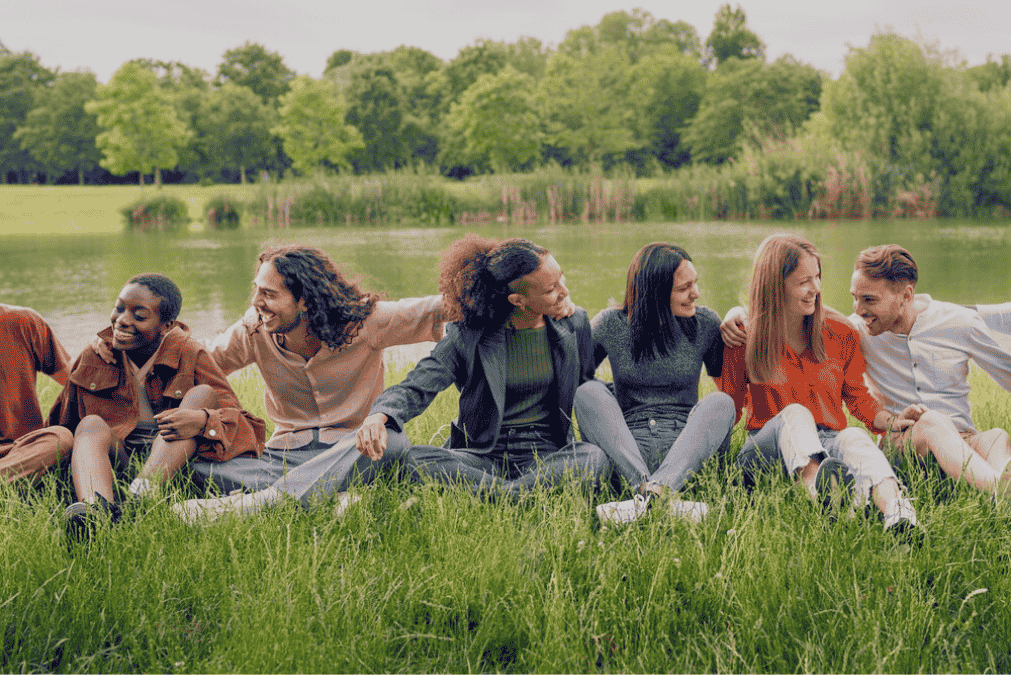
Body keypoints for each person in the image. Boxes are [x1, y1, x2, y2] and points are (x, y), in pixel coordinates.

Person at [170, 245, 445, 521]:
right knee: (194, 464)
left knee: (392, 438)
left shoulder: (364, 321)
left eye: (268, 293)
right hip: (283, 459)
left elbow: (436, 310)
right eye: (257, 289)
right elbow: (202, 359)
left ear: (306, 300)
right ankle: (335, 496)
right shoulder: (254, 329)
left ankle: (263, 504)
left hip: (353, 450)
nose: (255, 301)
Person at [722, 244, 1011, 498]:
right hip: (904, 444)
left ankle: (992, 489)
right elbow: (791, 312)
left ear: (906, 295)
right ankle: (998, 491)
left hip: (962, 439)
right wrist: (738, 313)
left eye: (869, 300)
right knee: (933, 421)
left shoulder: (958, 323)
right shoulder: (858, 329)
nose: (858, 309)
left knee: (997, 436)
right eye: (855, 298)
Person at [355, 235, 610, 496]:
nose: (565, 292)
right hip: (483, 456)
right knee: (415, 460)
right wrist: (380, 414)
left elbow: (587, 384)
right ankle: (522, 495)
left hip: (546, 455)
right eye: (551, 289)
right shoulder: (469, 335)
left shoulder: (573, 324)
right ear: (517, 300)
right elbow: (419, 383)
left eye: (561, 280)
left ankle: (499, 495)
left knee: (592, 457)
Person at [718, 234, 921, 532]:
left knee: (853, 437)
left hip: (828, 439)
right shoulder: (744, 336)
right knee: (796, 413)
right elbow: (729, 408)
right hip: (766, 448)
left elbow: (857, 397)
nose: (815, 289)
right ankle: (822, 498)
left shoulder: (840, 331)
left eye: (817, 277)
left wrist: (892, 421)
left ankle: (897, 512)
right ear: (775, 285)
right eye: (804, 282)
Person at [48, 274, 266, 532]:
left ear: (166, 325)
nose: (122, 321)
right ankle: (96, 511)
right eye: (119, 309)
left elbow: (245, 425)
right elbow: (59, 424)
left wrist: (202, 421)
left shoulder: (190, 354)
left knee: (202, 394)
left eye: (139, 316)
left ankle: (141, 497)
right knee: (90, 424)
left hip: (171, 463)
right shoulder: (96, 356)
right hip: (120, 460)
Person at [572, 243, 735, 525]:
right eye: (684, 288)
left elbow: (739, 378)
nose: (695, 293)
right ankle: (657, 497)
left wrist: (737, 315)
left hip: (684, 449)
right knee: (588, 392)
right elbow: (570, 374)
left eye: (694, 283)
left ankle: (646, 498)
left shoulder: (705, 324)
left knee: (721, 402)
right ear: (656, 293)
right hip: (627, 450)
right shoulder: (612, 324)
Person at [0, 303, 74, 482]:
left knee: (60, 439)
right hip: (18, 464)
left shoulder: (22, 321)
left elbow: (76, 381)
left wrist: (97, 350)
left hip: (20, 451)